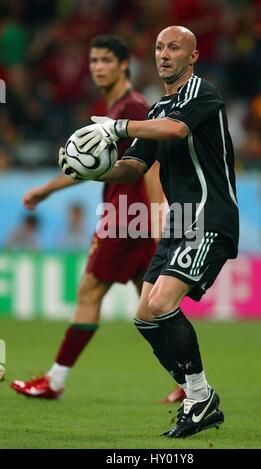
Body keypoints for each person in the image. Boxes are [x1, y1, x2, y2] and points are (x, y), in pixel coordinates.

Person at [62, 25, 239, 438]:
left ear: (192, 56)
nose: (164, 54)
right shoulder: (156, 109)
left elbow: (177, 130)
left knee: (161, 303)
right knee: (144, 316)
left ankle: (198, 398)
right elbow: (134, 167)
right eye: (159, 47)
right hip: (179, 222)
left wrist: (119, 128)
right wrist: (93, 168)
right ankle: (200, 396)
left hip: (208, 216)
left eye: (174, 47)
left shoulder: (202, 93)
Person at [11, 34, 177, 401]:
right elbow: (87, 167)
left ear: (123, 65)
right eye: (93, 61)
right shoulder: (115, 108)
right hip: (130, 218)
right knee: (153, 307)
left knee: (89, 291)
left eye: (105, 60)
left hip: (126, 218)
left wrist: (156, 221)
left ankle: (54, 380)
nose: (97, 67)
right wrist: (47, 189)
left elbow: (150, 168)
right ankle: (190, 383)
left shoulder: (132, 108)